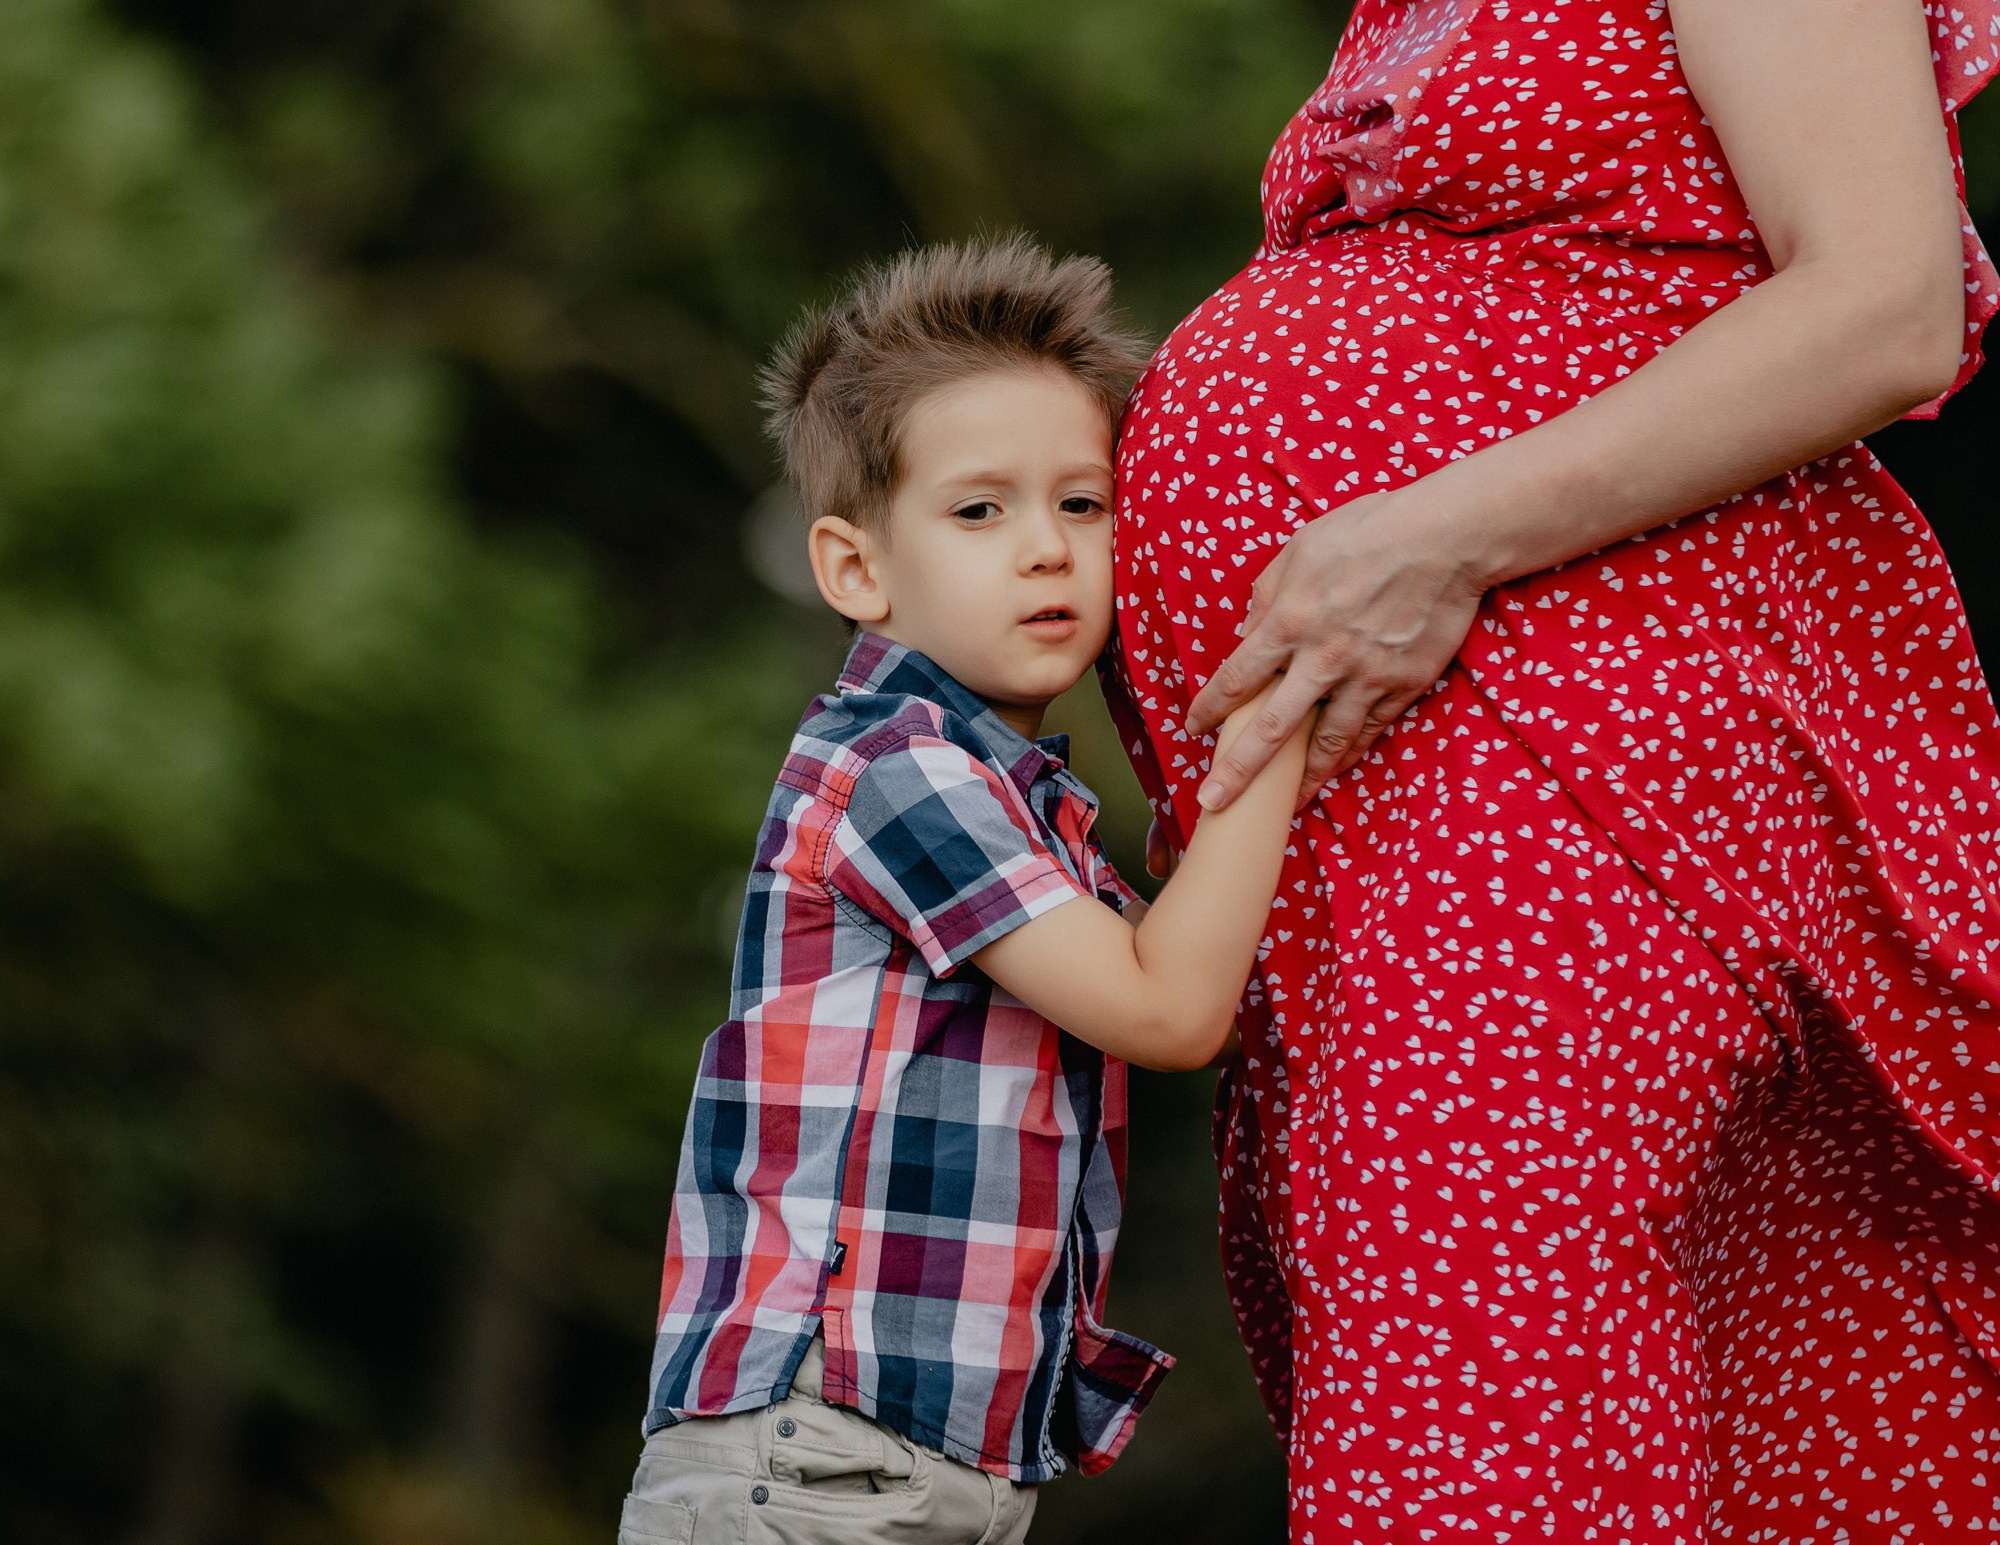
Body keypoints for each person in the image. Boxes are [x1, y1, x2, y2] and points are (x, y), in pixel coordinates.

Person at [1106, 0, 2000, 1539]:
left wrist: (1432, 537)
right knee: (1572, 1363)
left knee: (1473, 1328)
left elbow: (1886, 299)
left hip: (1585, 732)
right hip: (1419, 785)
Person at [617, 236, 1315, 1545]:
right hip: (821, 1458)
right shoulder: (896, 770)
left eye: (1084, 504)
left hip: (926, 1465)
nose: (1048, 550)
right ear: (856, 571)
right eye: (981, 510)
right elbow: (1168, 1007)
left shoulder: (1019, 796)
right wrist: (1290, 714)